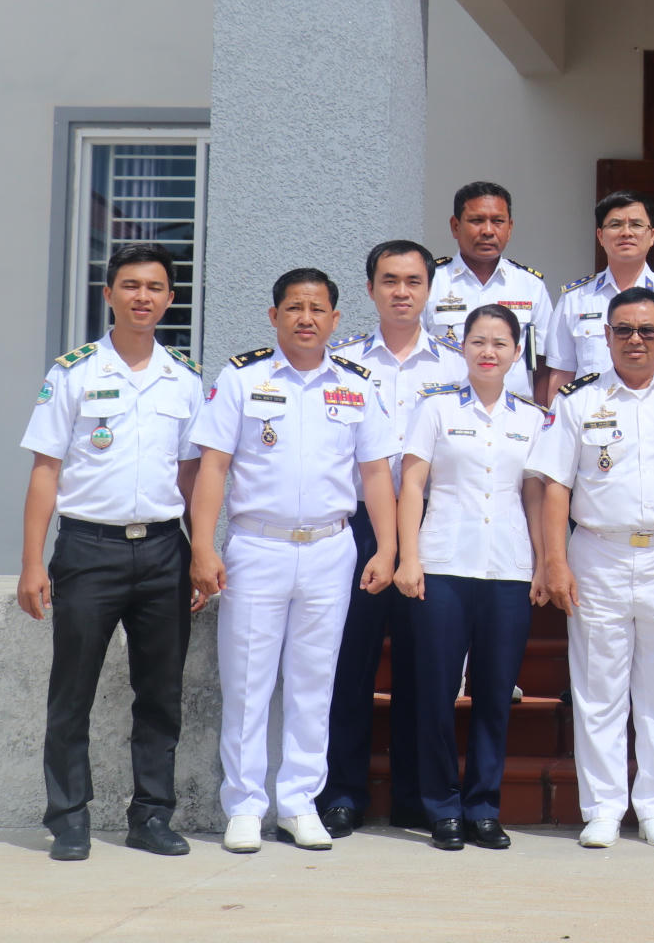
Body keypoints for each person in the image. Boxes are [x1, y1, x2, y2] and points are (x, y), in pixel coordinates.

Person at [189, 268, 398, 855]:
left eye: (317, 308)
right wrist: (202, 545)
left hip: (331, 548)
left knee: (314, 682)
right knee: (248, 682)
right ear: (274, 316)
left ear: (335, 319)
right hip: (258, 546)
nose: (306, 318)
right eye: (294, 308)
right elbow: (213, 466)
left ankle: (300, 802)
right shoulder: (242, 378)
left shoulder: (356, 385)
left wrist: (387, 548)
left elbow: (375, 474)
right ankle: (244, 805)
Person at [16, 244, 204, 861]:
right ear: (109, 294)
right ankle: (69, 817)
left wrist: (202, 551)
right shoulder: (73, 372)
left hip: (164, 551)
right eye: (130, 285)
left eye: (154, 288)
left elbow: (191, 478)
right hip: (88, 549)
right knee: (72, 689)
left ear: (169, 299)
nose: (142, 297)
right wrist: (32, 562)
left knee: (160, 693)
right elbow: (45, 471)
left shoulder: (185, 378)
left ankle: (151, 816)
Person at [531, 287, 654, 849]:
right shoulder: (578, 401)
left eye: (647, 331)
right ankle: (602, 808)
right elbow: (555, 486)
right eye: (623, 330)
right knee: (598, 688)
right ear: (606, 336)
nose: (635, 340)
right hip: (597, 553)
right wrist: (555, 560)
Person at [318, 240, 468, 840]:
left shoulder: (456, 364)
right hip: (359, 524)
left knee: (425, 665)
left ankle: (415, 797)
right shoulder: (343, 361)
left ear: (430, 289)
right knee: (350, 661)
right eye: (389, 281)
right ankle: (342, 793)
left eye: (413, 281)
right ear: (370, 289)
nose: (401, 292)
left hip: (434, 525)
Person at [391, 304, 544, 853]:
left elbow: (534, 495)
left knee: (495, 694)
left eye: (500, 343)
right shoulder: (435, 409)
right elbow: (412, 486)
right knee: (435, 692)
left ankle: (483, 807)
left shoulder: (532, 419)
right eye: (478, 341)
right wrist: (409, 557)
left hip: (507, 566)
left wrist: (544, 562)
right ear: (462, 347)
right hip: (443, 563)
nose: (488, 352)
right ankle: (442, 808)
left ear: (516, 353)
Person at [544, 191, 654, 399]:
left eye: (636, 224)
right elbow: (562, 374)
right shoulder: (575, 299)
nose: (626, 233)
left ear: (652, 236)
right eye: (615, 225)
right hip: (590, 413)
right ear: (600, 236)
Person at [425, 181, 555, 403]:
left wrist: (541, 415)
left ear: (510, 228)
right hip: (445, 410)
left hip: (513, 413)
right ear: (455, 226)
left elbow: (543, 363)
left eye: (497, 221)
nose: (487, 231)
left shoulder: (530, 285)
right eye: (477, 221)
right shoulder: (431, 282)